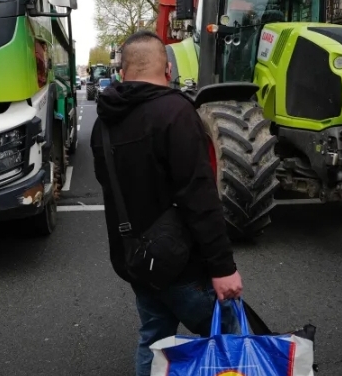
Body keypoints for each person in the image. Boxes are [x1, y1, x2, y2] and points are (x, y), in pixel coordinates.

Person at [91, 30, 243, 376]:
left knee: (154, 340)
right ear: (168, 71)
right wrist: (222, 267)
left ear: (122, 72)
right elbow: (199, 196)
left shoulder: (103, 123)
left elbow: (113, 190)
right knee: (230, 340)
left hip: (138, 260)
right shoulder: (176, 112)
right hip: (184, 265)